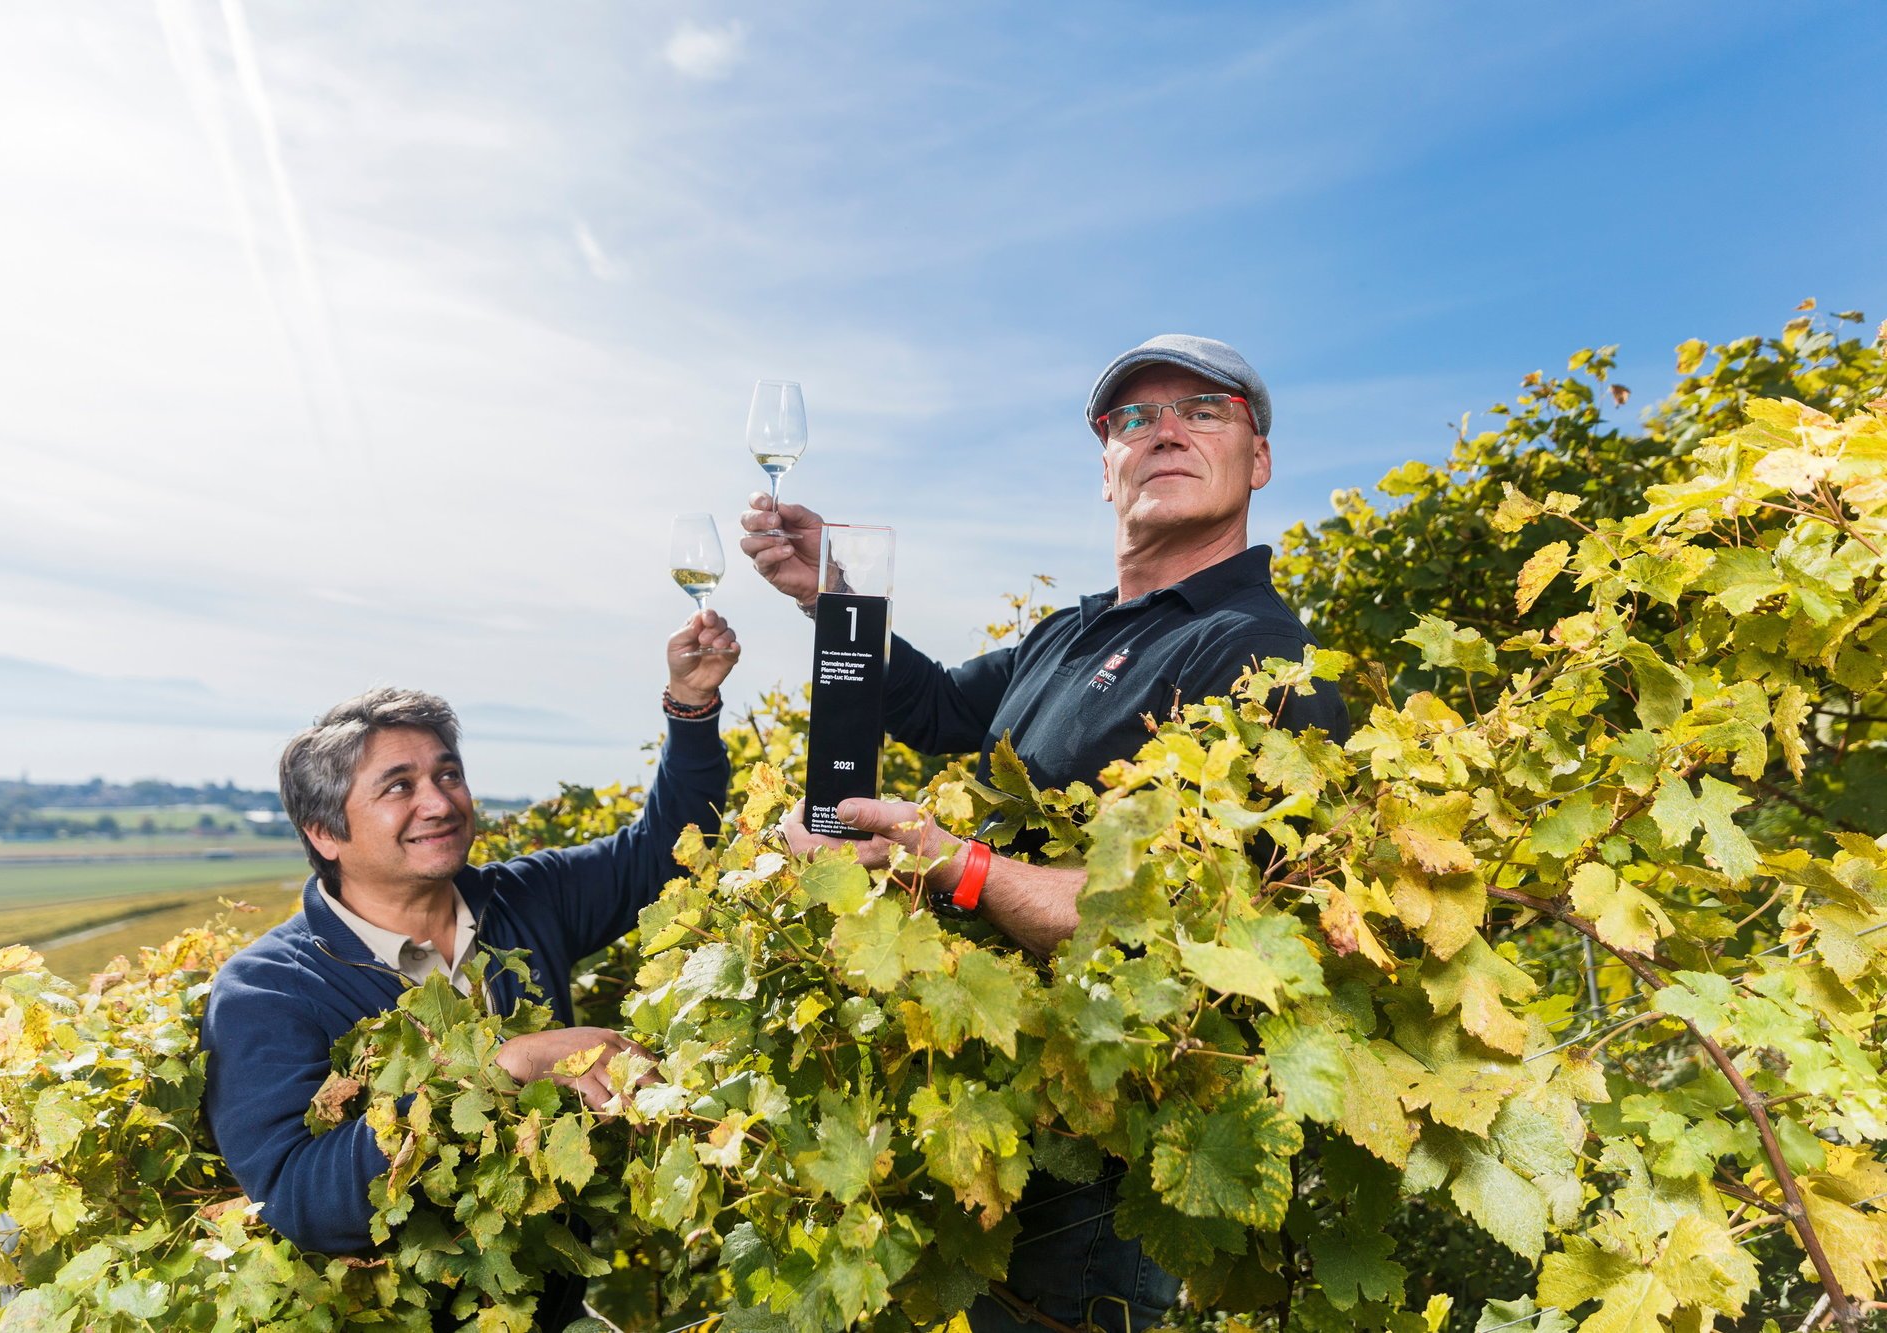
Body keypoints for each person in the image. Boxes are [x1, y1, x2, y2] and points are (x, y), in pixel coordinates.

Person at [740, 334, 1349, 1331]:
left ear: (1258, 459)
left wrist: (942, 863)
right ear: (1103, 462)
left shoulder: (1260, 654)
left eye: (1203, 411)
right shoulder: (1070, 634)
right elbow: (936, 708)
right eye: (1133, 418)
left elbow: (1172, 924)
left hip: (1096, 1166)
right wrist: (829, 589)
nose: (1164, 433)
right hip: (989, 1117)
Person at [201, 611, 739, 1328]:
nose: (440, 801)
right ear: (325, 831)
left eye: (447, 773)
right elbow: (302, 1199)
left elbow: (661, 853)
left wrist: (692, 708)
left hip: (555, 1306)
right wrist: (502, 1066)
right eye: (399, 786)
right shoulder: (267, 989)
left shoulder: (523, 897)